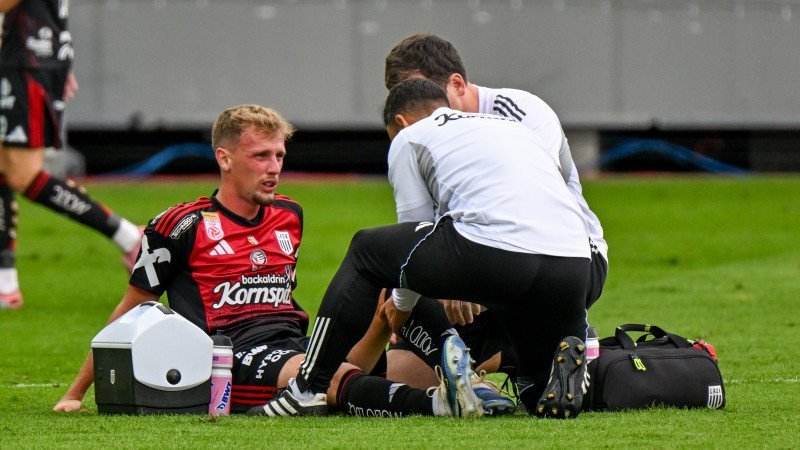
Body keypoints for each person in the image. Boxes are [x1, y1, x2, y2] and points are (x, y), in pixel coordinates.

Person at [53, 104, 477, 418]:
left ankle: (472, 380)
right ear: (224, 158)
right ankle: (435, 406)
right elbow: (130, 313)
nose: (274, 168)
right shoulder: (180, 225)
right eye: (261, 157)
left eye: (279, 156)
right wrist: (76, 392)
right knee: (321, 376)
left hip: (296, 341)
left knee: (401, 325)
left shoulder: (289, 215)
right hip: (232, 356)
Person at [256, 79, 592, 419]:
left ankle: (307, 388)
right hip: (575, 263)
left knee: (367, 251)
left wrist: (401, 305)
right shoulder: (511, 127)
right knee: (536, 393)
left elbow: (413, 236)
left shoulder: (409, 137)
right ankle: (557, 362)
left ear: (400, 122)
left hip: (498, 254)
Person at [381, 33, 608, 390]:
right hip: (486, 263)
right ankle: (533, 355)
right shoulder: (431, 137)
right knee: (395, 360)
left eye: (427, 100)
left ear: (456, 85)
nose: (419, 118)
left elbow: (537, 210)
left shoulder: (521, 111)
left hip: (568, 259)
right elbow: (420, 231)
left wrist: (465, 276)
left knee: (386, 278)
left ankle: (548, 343)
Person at [0, 0, 141, 309]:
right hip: (26, 54)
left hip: (25, 59)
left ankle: (129, 237)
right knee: (5, 164)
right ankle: (5, 283)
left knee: (22, 173)